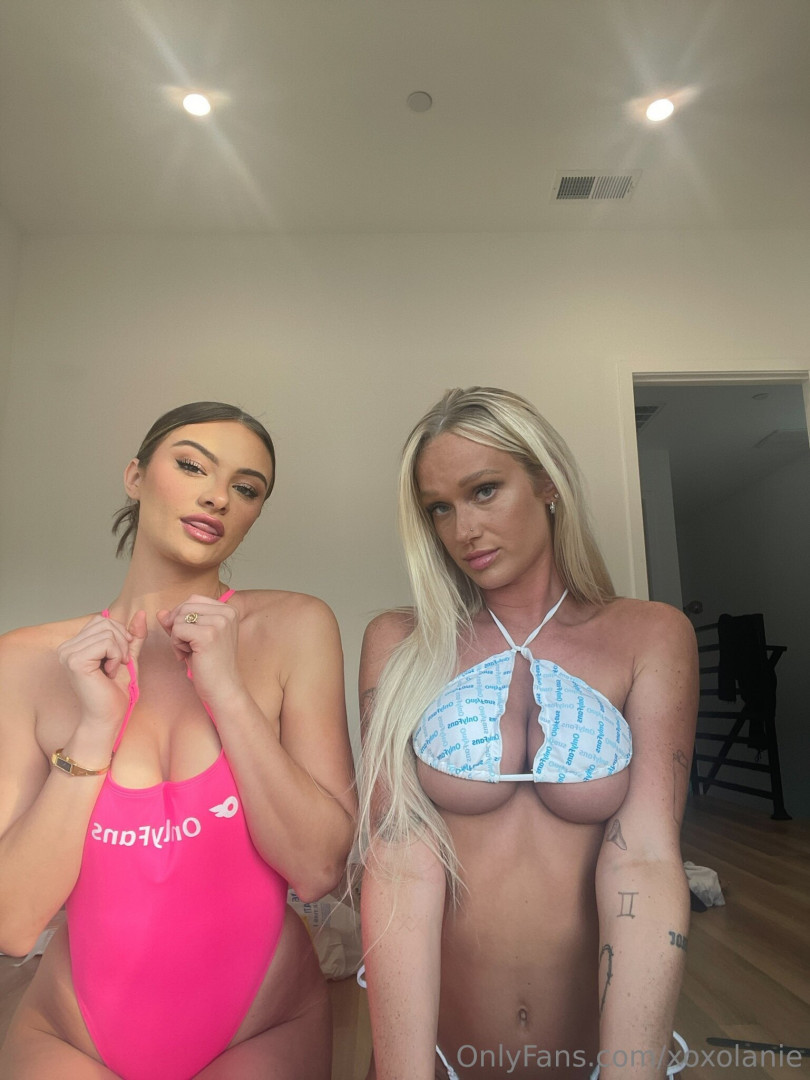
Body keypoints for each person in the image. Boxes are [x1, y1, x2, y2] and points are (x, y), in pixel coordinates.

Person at [0, 401, 356, 1079]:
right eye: (192, 466)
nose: (218, 496)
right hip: (72, 1036)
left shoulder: (295, 628)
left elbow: (318, 869)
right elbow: (13, 922)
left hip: (262, 1026)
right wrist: (94, 731)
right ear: (135, 476)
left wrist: (227, 694)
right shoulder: (25, 662)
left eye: (246, 488)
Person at [358, 387, 697, 1080]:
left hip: (596, 1057)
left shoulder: (649, 635)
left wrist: (629, 1071)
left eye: (484, 491)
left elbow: (646, 860)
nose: (463, 529)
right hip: (439, 1057)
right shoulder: (400, 643)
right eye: (439, 508)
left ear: (546, 482)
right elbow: (396, 859)